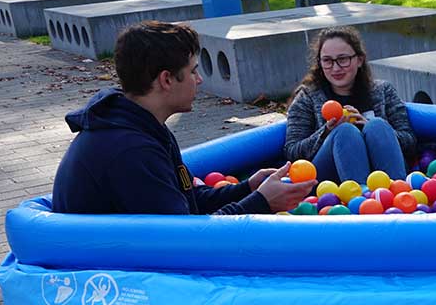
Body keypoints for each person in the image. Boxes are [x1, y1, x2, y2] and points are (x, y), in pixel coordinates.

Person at [52, 21, 314, 215]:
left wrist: (248, 188)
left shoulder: (143, 126)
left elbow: (186, 198)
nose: (199, 80)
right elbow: (186, 240)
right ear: (166, 79)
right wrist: (262, 202)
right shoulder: (130, 151)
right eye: (192, 72)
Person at [283, 26, 416, 183]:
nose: (336, 68)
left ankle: (397, 195)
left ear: (359, 60)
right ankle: (358, 201)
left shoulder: (382, 91)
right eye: (327, 61)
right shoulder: (307, 97)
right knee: (345, 131)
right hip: (329, 185)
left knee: (377, 125)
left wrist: (370, 127)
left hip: (383, 177)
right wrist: (326, 132)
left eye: (343, 59)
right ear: (319, 62)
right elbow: (292, 152)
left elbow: (410, 141)